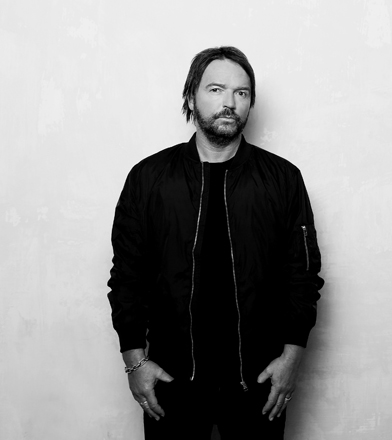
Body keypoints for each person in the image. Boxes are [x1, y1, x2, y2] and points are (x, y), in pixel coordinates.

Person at [107, 46, 324, 439]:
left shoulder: (283, 179)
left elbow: (302, 276)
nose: (229, 103)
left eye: (241, 92)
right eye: (216, 89)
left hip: (259, 380)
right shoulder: (149, 178)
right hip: (171, 380)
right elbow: (127, 277)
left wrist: (292, 357)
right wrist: (135, 362)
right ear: (192, 97)